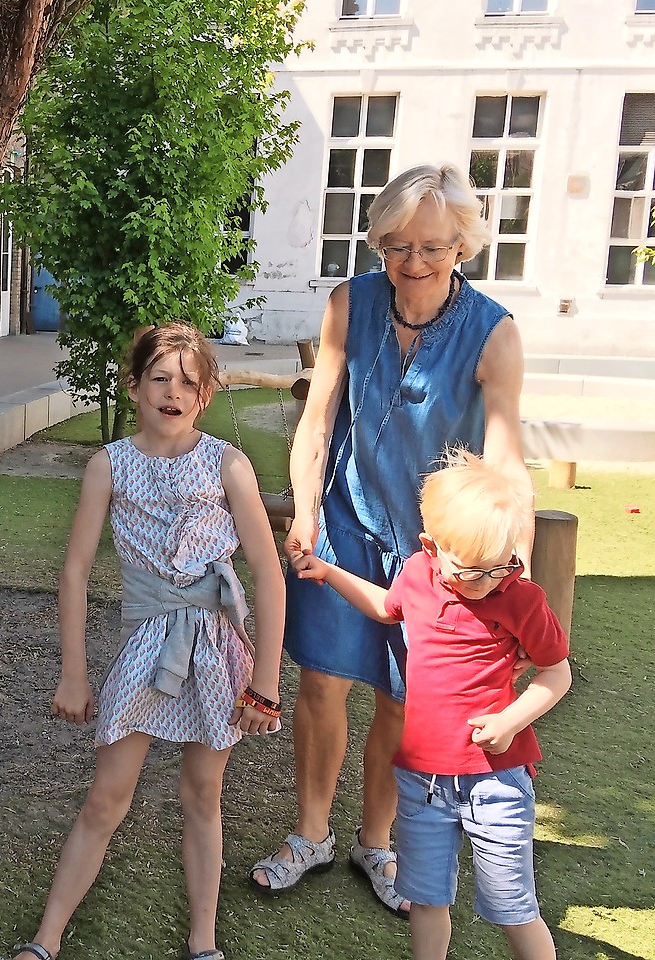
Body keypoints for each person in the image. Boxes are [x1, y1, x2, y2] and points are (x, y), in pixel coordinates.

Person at [249, 163, 534, 916]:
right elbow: (318, 418)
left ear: (463, 247)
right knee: (320, 684)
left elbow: (506, 455)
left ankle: (377, 843)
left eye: (431, 248)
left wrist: (510, 547)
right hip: (343, 523)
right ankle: (311, 833)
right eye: (397, 246)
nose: (412, 263)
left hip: (434, 547)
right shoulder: (350, 304)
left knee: (402, 699)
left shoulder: (495, 335)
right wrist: (306, 509)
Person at [7, 323, 286, 960]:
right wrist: (72, 672)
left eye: (189, 381)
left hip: (214, 648)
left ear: (207, 395)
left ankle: (203, 940)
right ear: (133, 386)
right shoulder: (109, 465)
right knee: (107, 797)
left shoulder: (229, 465)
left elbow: (269, 579)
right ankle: (46, 938)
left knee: (202, 795)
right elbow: (75, 570)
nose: (173, 391)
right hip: (147, 646)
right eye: (159, 377)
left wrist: (265, 684)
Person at [292, 448, 570, 960]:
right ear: (431, 547)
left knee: (514, 907)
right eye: (471, 572)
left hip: (496, 779)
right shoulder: (418, 574)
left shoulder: (520, 597)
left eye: (499, 567)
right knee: (425, 898)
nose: (488, 583)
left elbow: (556, 672)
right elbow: (384, 606)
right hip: (421, 780)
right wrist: (329, 573)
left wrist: (512, 720)